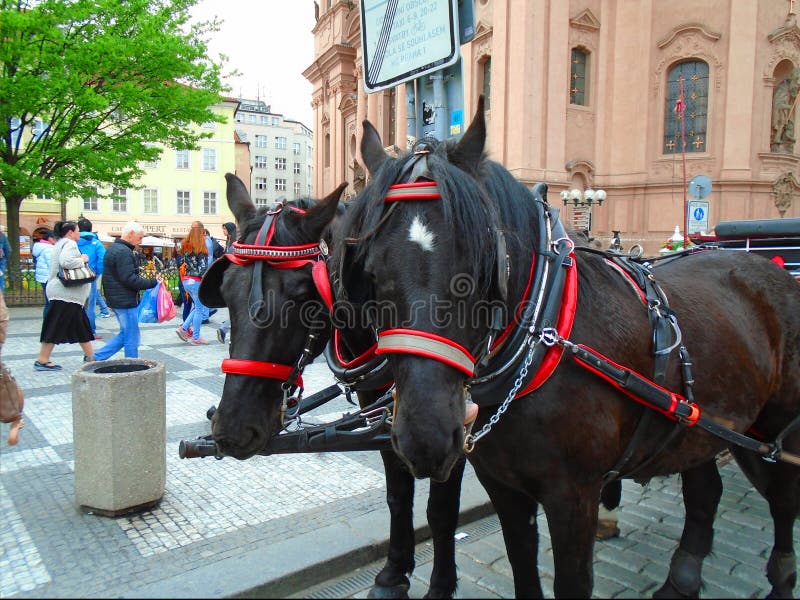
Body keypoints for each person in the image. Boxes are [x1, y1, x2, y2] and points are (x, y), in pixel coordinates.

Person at [34, 221, 95, 370]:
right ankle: (42, 360)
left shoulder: (60, 243)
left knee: (81, 326)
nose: (79, 234)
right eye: (77, 231)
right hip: (65, 294)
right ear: (70, 233)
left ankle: (91, 357)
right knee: (55, 325)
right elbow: (66, 261)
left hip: (67, 295)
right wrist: (83, 259)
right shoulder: (69, 243)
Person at [93, 221, 159, 361]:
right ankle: (131, 364)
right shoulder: (124, 252)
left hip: (118, 298)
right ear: (130, 234)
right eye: (139, 237)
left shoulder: (115, 248)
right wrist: (152, 282)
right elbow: (130, 279)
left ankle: (97, 357)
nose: (140, 241)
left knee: (127, 333)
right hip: (124, 300)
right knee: (131, 337)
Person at [175, 224, 211, 345]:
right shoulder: (201, 250)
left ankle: (183, 328)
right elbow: (202, 269)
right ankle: (195, 337)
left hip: (186, 281)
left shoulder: (186, 248)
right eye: (203, 234)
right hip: (196, 281)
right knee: (199, 309)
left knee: (197, 308)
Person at [77, 217, 107, 339]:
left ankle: (74, 330)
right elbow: (102, 259)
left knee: (75, 304)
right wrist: (97, 273)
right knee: (90, 305)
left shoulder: (72, 242)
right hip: (90, 276)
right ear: (91, 229)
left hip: (74, 277)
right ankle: (90, 331)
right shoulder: (96, 243)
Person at [216, 222, 236, 344]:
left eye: (224, 229)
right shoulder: (230, 242)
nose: (223, 231)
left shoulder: (234, 242)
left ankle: (225, 327)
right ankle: (225, 328)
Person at [32, 230, 55, 316]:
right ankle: (48, 322)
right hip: (48, 277)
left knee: (48, 301)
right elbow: (52, 265)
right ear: (50, 239)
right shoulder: (48, 249)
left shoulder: (41, 247)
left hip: (43, 277)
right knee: (50, 302)